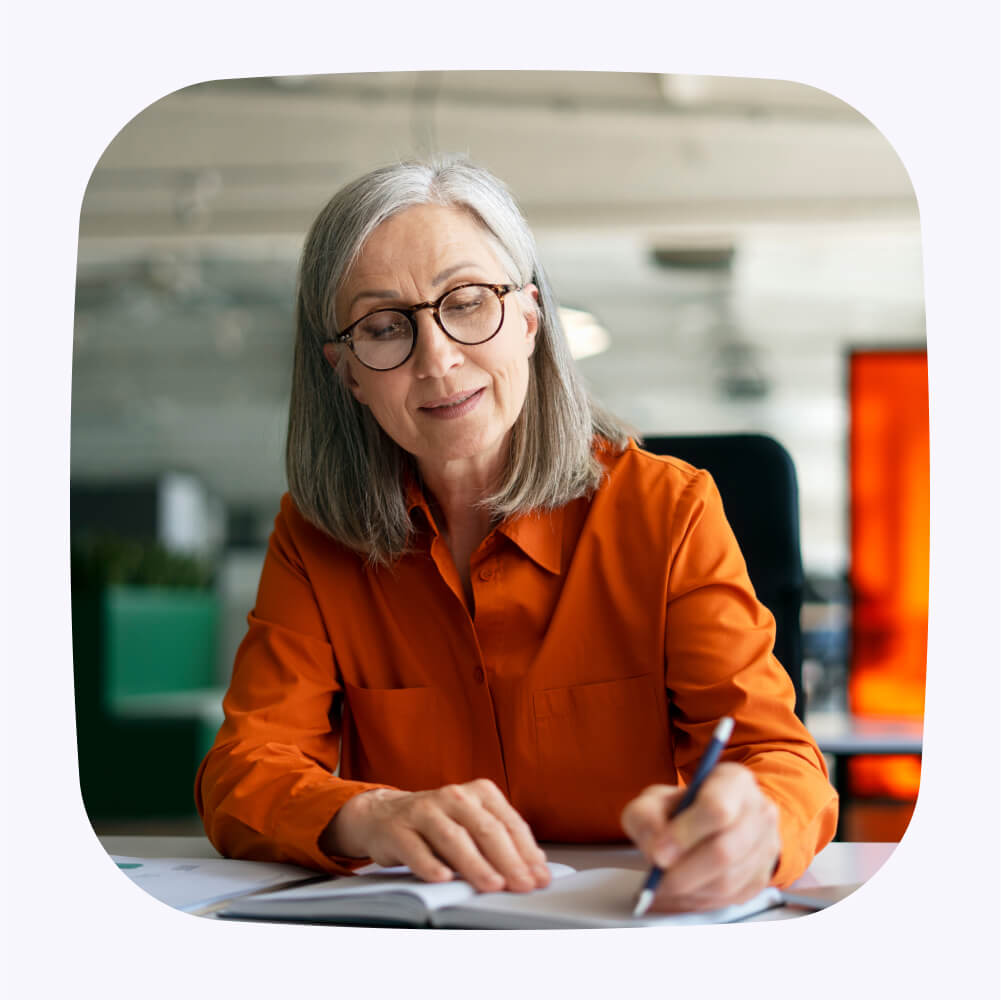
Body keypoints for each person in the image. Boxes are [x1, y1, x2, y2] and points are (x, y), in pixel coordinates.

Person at [195, 156, 838, 914]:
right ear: (347, 373)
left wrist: (751, 826)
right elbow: (244, 771)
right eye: (382, 326)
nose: (437, 360)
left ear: (530, 320)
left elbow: (776, 760)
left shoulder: (668, 510)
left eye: (468, 303)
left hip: (629, 931)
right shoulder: (314, 536)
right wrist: (370, 815)